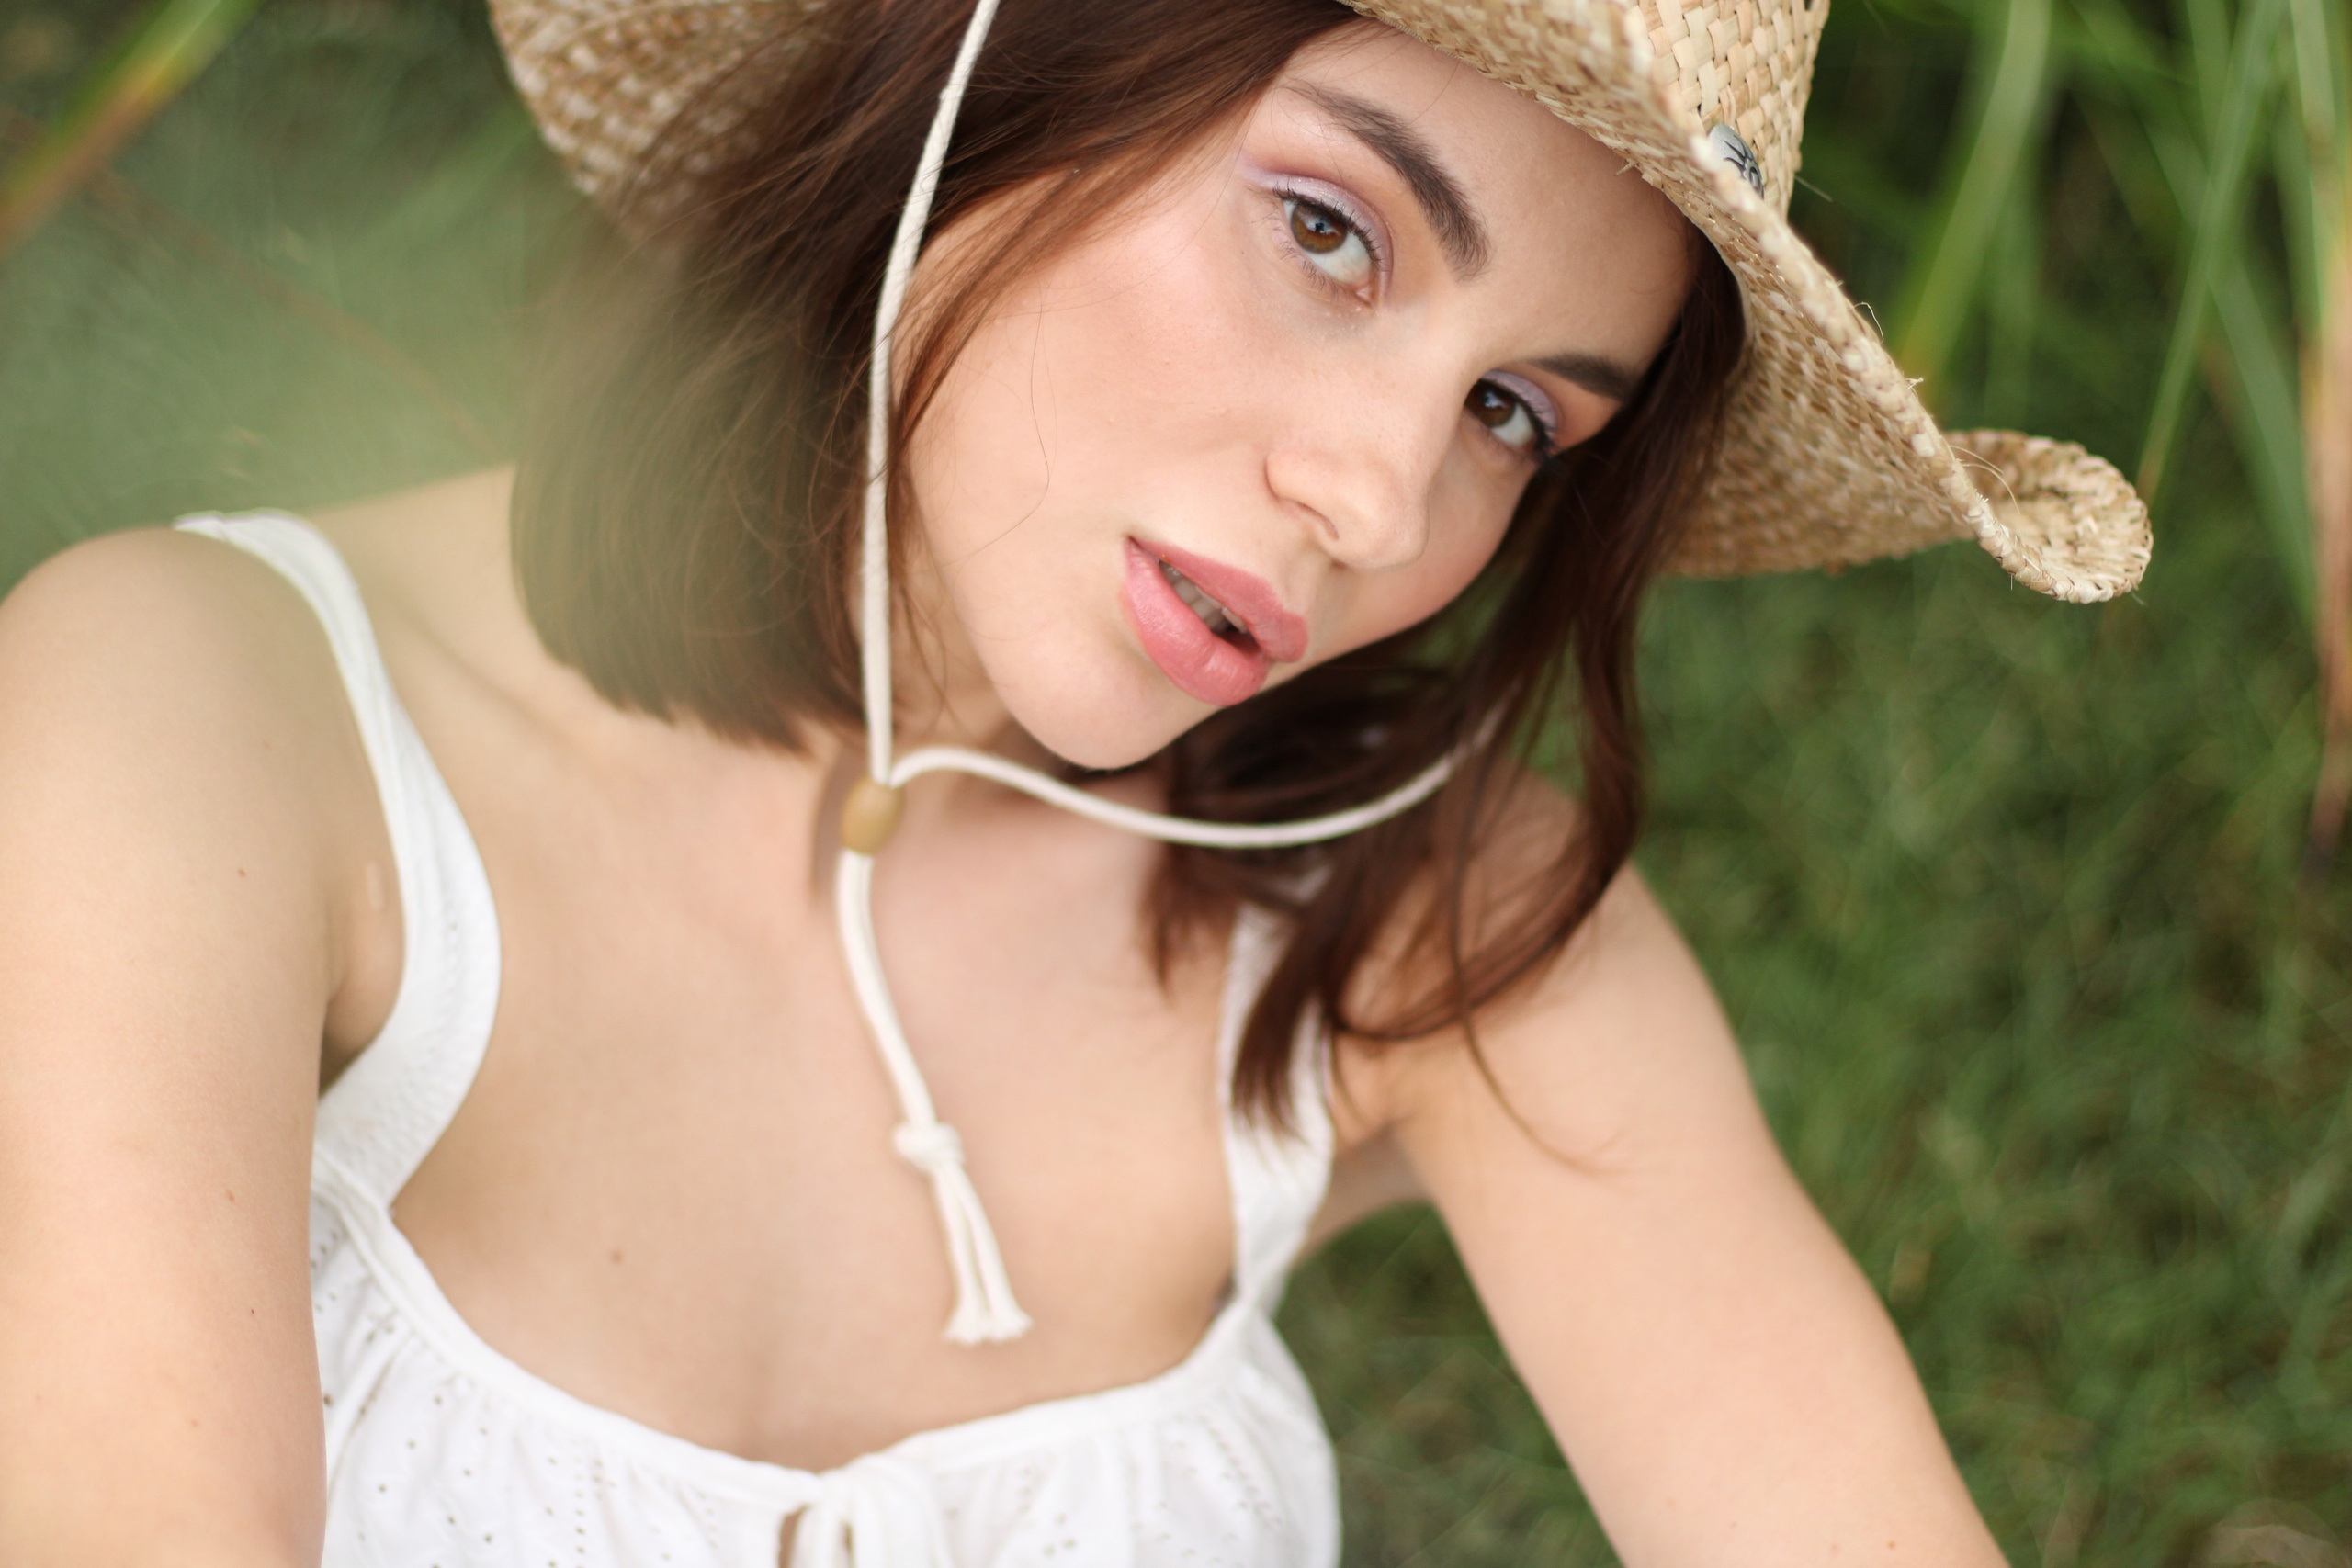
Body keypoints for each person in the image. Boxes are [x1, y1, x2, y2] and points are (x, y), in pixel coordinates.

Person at [0, 0, 2152, 1562]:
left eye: (1513, 409)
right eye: (1326, 231)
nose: (1378, 496)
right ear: (986, 74)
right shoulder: (207, 715)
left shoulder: (1415, 907)